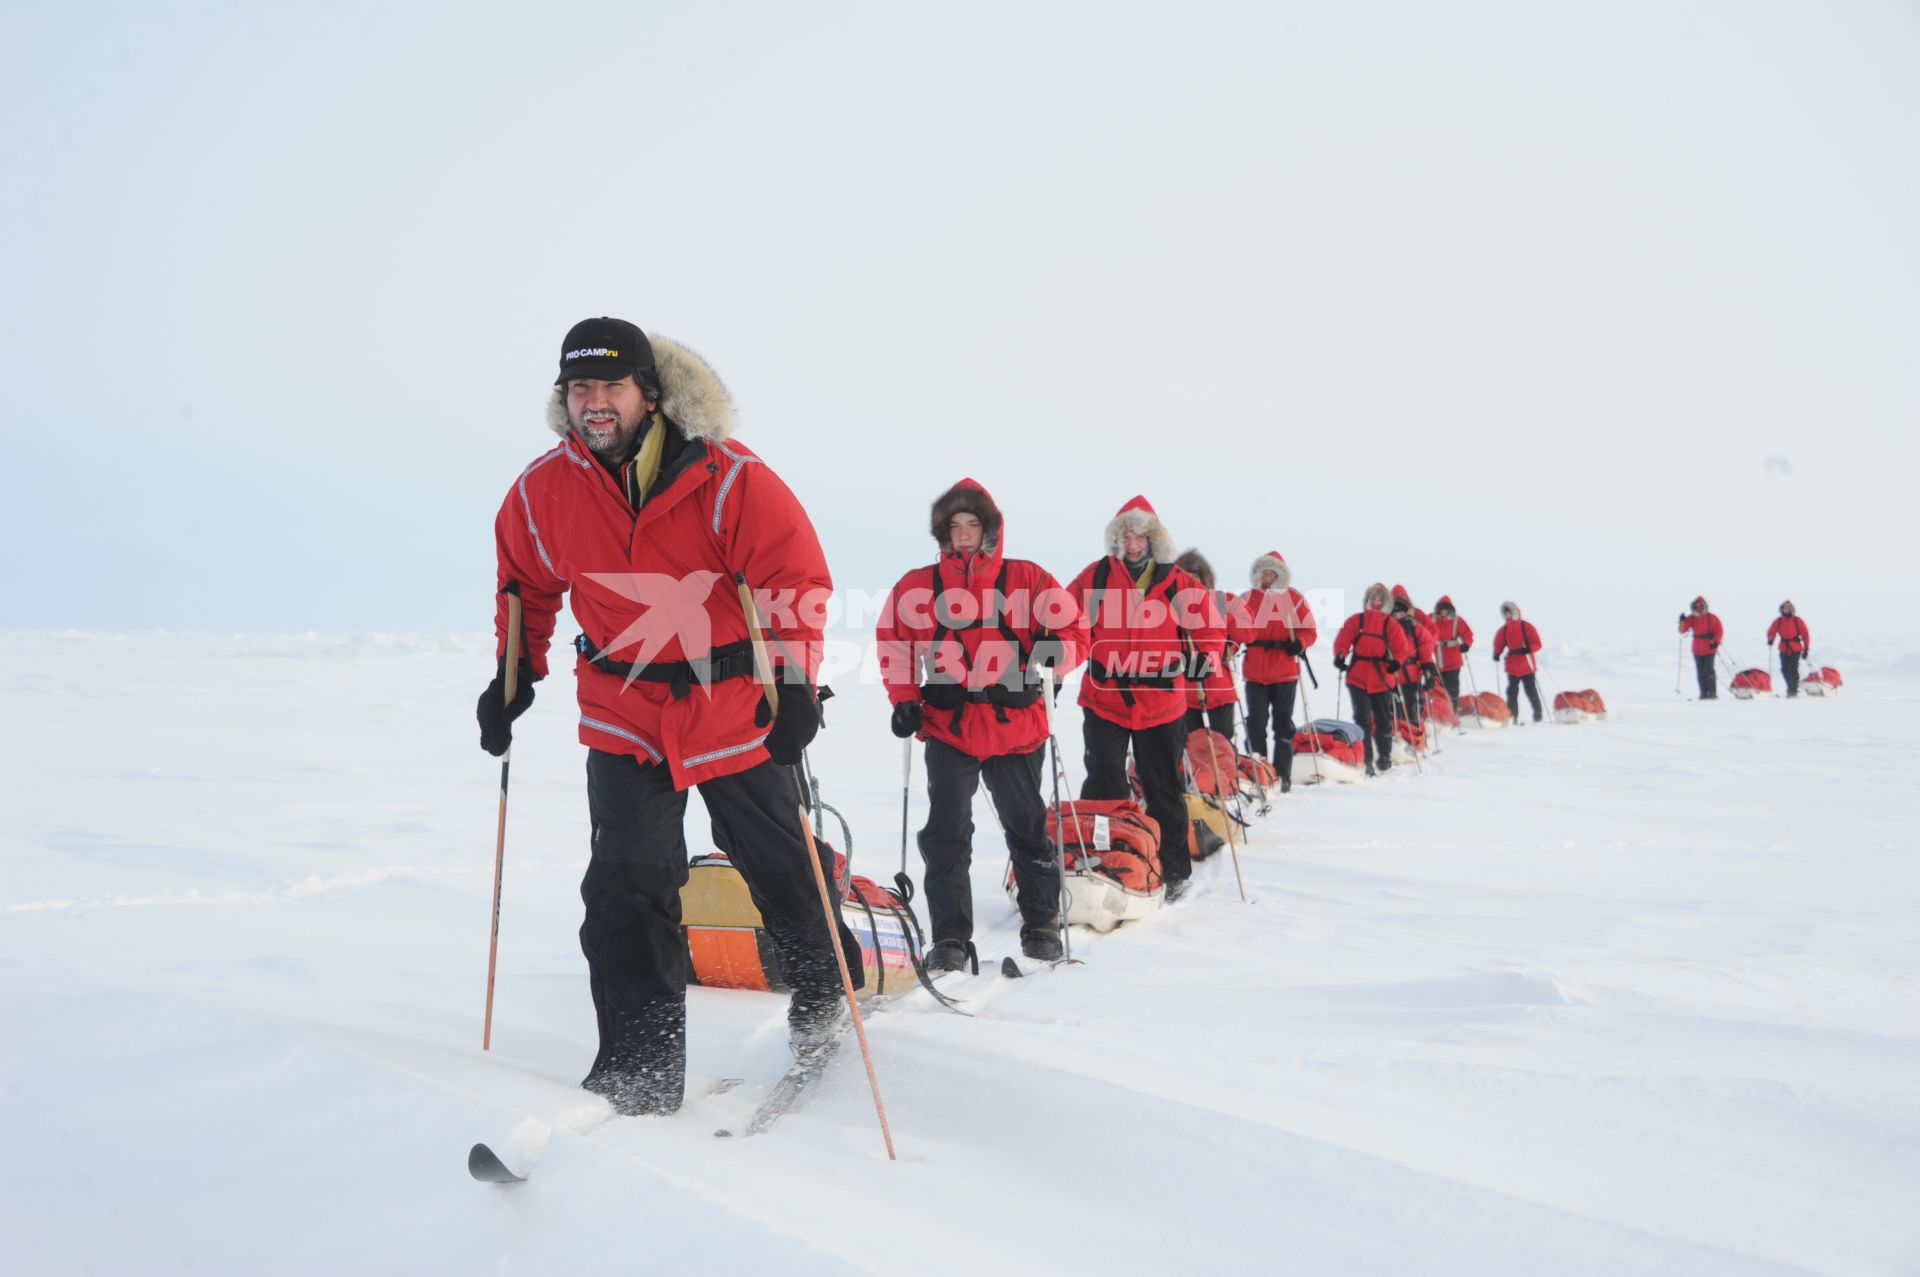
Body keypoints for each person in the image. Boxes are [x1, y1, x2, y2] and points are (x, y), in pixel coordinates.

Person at [478, 317, 858, 1117]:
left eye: (609, 387)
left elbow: (793, 576)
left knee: (780, 870)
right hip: (623, 708)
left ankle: (826, 1000)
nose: (593, 404)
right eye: (578, 389)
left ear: (648, 393)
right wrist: (513, 677)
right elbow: (524, 587)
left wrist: (793, 686)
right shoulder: (542, 491)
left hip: (732, 704)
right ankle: (639, 1069)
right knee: (625, 886)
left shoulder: (728, 478)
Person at [875, 479, 1088, 967]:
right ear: (943, 533)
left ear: (990, 529)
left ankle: (1041, 924)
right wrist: (904, 699)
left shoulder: (1028, 579)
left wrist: (1057, 653)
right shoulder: (917, 587)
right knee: (946, 832)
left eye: (974, 525)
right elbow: (896, 646)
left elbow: (1076, 629)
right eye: (956, 526)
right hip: (949, 726)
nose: (965, 534)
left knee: (1027, 828)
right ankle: (949, 938)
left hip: (1017, 726)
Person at [1067, 497, 1224, 902]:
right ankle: (1102, 857)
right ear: (1116, 537)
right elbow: (1067, 622)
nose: (1132, 542)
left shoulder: (1177, 582)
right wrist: (1051, 662)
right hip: (1105, 699)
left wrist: (1205, 659)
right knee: (1103, 781)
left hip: (1161, 703)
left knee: (1163, 787)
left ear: (1153, 537)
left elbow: (1208, 627)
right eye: (1125, 533)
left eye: (1140, 534)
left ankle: (1173, 871)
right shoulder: (1096, 578)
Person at [1232, 551, 1316, 794]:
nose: (1268, 577)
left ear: (1280, 574)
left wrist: (1299, 643)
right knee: (1256, 723)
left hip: (1285, 673)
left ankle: (1283, 774)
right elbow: (1236, 630)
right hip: (1255, 672)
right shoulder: (1246, 599)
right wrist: (1231, 646)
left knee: (1283, 725)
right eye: (1264, 572)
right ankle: (1259, 771)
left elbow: (1309, 630)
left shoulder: (1294, 599)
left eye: (1273, 572)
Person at [1332, 583, 1415, 775]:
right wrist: (1340, 655)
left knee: (1384, 719)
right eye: (1373, 598)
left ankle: (1384, 757)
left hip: (1382, 677)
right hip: (1358, 676)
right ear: (1368, 601)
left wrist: (1398, 662)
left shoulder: (1390, 624)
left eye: (1380, 599)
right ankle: (1367, 760)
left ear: (1385, 602)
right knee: (1362, 719)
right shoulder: (1357, 621)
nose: (1376, 602)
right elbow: (1343, 639)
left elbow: (1402, 647)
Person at [1175, 550, 1237, 740]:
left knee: (1222, 742)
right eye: (1187, 578)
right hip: (1187, 687)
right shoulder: (1171, 608)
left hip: (1219, 688)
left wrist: (1230, 647)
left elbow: (1244, 633)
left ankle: (1226, 769)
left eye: (1196, 578)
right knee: (1192, 742)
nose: (1192, 583)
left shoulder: (1220, 603)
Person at [1389, 585, 1438, 739]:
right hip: (1393, 673)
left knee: (1413, 706)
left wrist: (1426, 661)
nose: (1397, 613)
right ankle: (1398, 736)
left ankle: (1415, 736)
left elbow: (1431, 634)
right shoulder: (1387, 625)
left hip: (1412, 671)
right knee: (1394, 707)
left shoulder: (1416, 623)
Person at [1491, 601, 1544, 722]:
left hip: (1527, 665)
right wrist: (1496, 653)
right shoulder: (1504, 630)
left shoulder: (1526, 626)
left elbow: (1537, 643)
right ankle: (1512, 717)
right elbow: (1499, 643)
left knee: (1531, 690)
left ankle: (1538, 714)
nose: (1507, 615)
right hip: (1512, 666)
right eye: (1505, 613)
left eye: (1509, 612)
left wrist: (1529, 649)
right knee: (1512, 692)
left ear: (1514, 612)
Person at [1679, 595, 1724, 699]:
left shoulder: (1712, 618)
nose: (1699, 608)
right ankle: (1704, 693)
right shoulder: (1691, 618)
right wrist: (1682, 621)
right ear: (1693, 607)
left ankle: (1712, 693)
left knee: (1709, 670)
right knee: (1700, 672)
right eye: (1697, 605)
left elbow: (1719, 630)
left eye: (1701, 605)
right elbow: (1682, 630)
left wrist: (1716, 642)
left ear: (1705, 606)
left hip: (1709, 648)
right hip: (1697, 649)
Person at [1431, 596, 1473, 702]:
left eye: (1445, 610)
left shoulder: (1457, 621)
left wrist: (1466, 644)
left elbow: (1468, 634)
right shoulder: (1431, 619)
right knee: (1438, 688)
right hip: (1436, 660)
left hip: (1453, 660)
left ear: (1450, 610)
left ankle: (1452, 711)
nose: (1443, 612)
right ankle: (1442, 711)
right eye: (1441, 610)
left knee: (1452, 688)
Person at [1767, 601, 1812, 697]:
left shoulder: (1797, 620)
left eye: (1789, 608)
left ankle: (1793, 690)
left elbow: (1805, 634)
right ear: (1782, 609)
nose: (1787, 609)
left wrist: (1806, 649)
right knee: (1784, 669)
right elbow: (1772, 630)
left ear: (1792, 609)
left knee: (1793, 669)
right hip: (1783, 648)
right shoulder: (1779, 621)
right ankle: (1790, 687)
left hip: (1795, 648)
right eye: (1785, 607)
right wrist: (1771, 639)